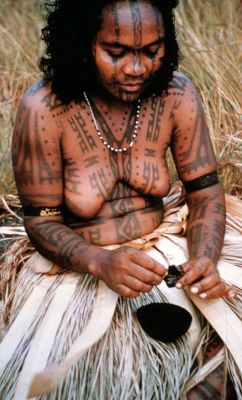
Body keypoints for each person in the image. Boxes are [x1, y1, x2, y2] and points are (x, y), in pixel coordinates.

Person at [0, 0, 241, 399]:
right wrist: (99, 261)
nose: (137, 69)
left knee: (225, 358)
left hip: (169, 245)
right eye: (116, 53)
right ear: (81, 44)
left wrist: (204, 258)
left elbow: (205, 193)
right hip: (78, 263)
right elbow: (41, 221)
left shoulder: (176, 93)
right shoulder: (43, 108)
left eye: (152, 51)